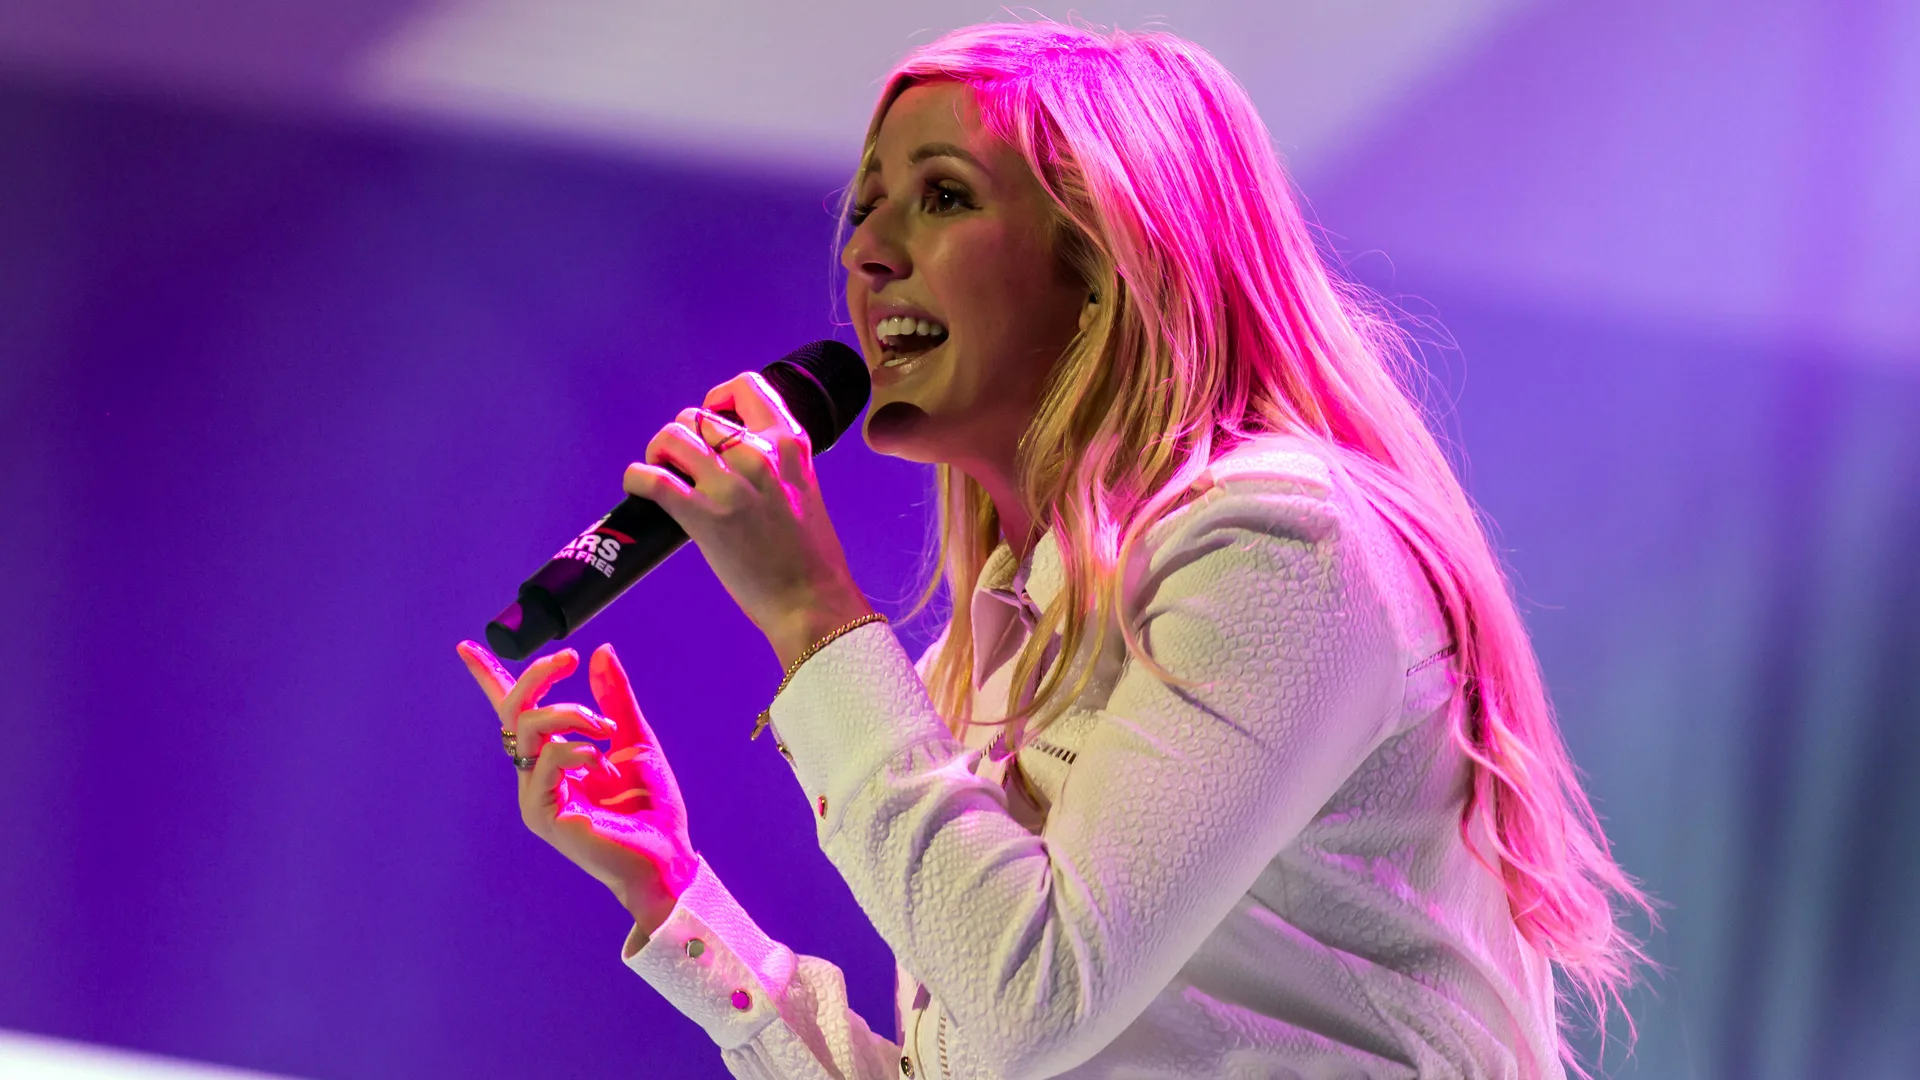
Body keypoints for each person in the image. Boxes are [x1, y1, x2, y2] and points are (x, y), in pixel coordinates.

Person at [457, 20, 1654, 1080]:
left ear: (1103, 263)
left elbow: (1039, 995)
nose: (869, 255)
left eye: (942, 196)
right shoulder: (976, 668)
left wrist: (813, 614)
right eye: (866, 206)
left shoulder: (1284, 545)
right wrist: (672, 893)